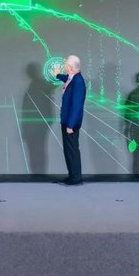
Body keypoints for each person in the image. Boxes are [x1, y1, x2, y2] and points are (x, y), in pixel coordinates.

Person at [53, 55, 87, 186]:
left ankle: (76, 178)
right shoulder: (73, 77)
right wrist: (58, 75)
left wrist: (70, 125)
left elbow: (77, 106)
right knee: (68, 150)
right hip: (67, 120)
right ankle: (72, 175)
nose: (64, 66)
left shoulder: (78, 82)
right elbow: (67, 78)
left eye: (66, 64)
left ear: (71, 68)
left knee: (72, 150)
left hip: (70, 123)